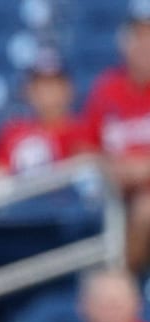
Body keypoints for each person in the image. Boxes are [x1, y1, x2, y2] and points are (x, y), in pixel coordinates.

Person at [84, 6, 150, 272]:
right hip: (113, 192)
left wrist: (144, 169)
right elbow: (84, 145)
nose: (146, 46)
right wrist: (110, 168)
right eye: (140, 37)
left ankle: (122, 283)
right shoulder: (106, 87)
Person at [0, 49, 92, 177]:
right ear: (28, 91)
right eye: (41, 85)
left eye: (54, 84)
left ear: (69, 89)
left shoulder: (84, 131)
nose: (48, 93)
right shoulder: (13, 132)